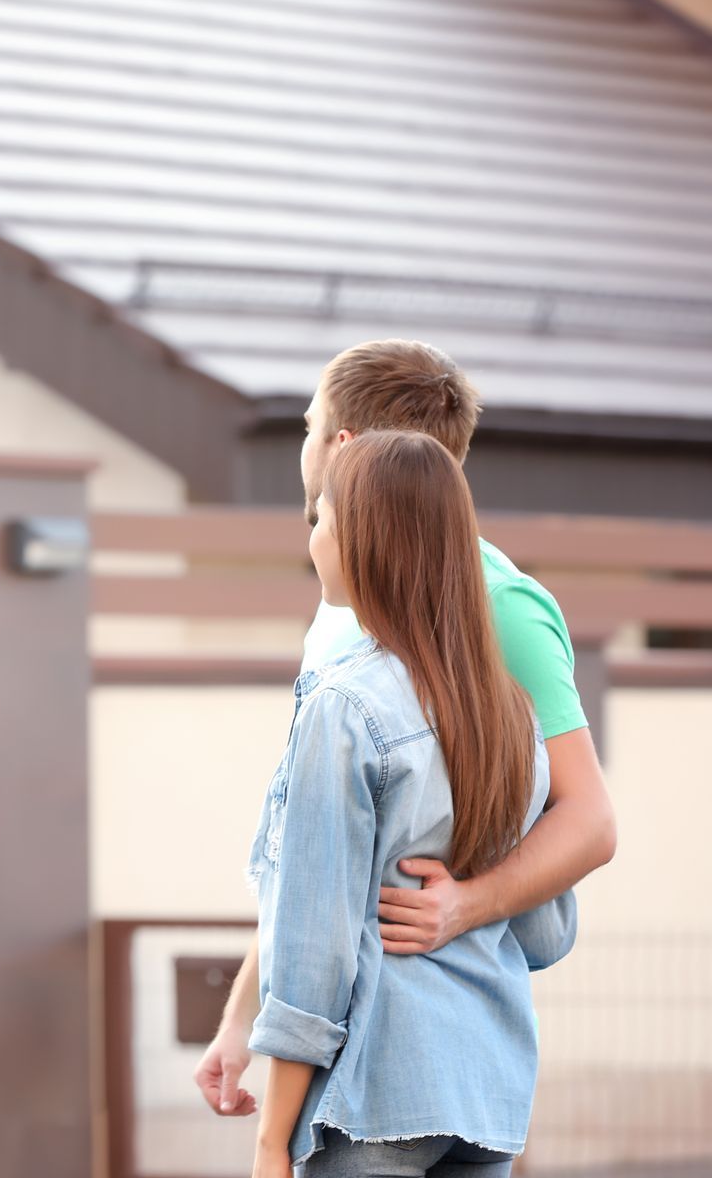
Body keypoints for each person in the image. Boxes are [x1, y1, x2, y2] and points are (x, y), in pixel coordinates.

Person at [194, 341, 615, 1122]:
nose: (305, 449)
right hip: (323, 1059)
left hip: (420, 1066)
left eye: (310, 426)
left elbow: (590, 820)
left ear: (344, 447)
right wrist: (241, 1021)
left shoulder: (504, 608)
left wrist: (469, 903)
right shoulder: (340, 600)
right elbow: (315, 850)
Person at [242, 430, 578, 1178]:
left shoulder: (345, 706)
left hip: (373, 1095)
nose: (312, 535)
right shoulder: (510, 709)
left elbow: (312, 957)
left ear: (365, 545)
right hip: (484, 1093)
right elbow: (546, 936)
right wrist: (466, 897)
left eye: (322, 517)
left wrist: (269, 1144)